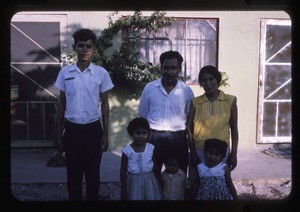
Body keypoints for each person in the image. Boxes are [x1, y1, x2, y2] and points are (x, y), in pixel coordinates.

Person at [54, 28, 114, 200]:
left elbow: (105, 105)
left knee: (93, 175)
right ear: (75, 48)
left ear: (94, 48)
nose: (85, 49)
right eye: (81, 46)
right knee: (73, 176)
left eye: (89, 46)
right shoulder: (65, 72)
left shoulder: (101, 73)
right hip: (71, 130)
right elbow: (62, 103)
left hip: (93, 130)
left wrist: (106, 134)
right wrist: (59, 133)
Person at [138, 50, 194, 175]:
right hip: (153, 137)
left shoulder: (186, 91)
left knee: (179, 176)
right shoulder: (150, 88)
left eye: (173, 68)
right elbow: (143, 114)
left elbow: (190, 116)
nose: (169, 72)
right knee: (152, 175)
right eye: (166, 67)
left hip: (178, 139)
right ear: (161, 68)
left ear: (179, 69)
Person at [187, 65, 239, 199]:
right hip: (199, 152)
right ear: (201, 83)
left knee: (221, 183)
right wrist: (193, 153)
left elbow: (234, 129)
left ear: (218, 80)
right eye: (204, 80)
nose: (208, 83)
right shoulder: (195, 102)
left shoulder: (230, 100)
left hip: (220, 153)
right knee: (197, 185)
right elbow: (189, 129)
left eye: (211, 79)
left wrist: (233, 153)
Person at [120, 117, 163, 200]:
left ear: (148, 134)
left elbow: (155, 167)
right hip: (133, 183)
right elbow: (123, 171)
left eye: (144, 133)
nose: (141, 136)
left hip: (150, 181)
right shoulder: (127, 151)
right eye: (137, 133)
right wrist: (123, 189)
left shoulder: (151, 148)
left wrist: (159, 182)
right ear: (131, 133)